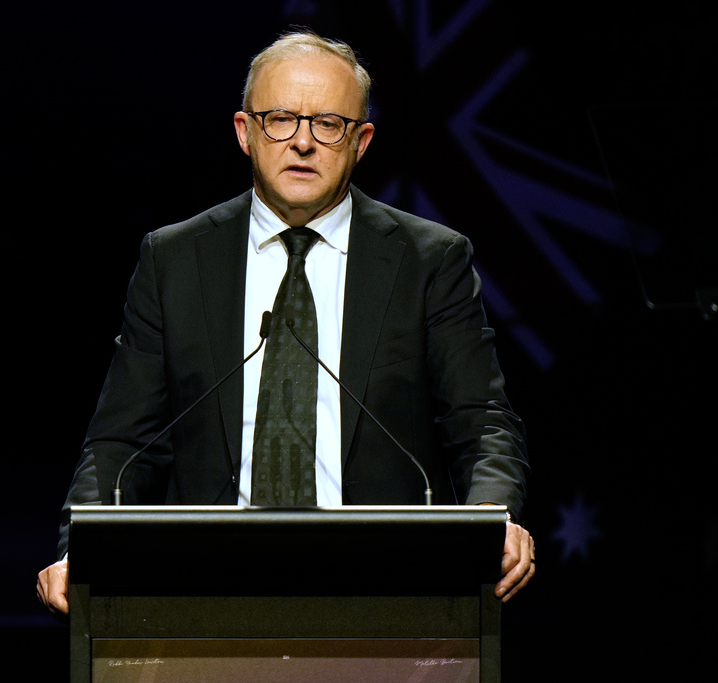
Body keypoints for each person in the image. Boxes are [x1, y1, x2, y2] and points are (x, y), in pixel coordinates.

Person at [37, 30, 535, 615]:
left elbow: (482, 425)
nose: (302, 142)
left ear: (361, 141)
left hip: (386, 591)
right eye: (280, 120)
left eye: (328, 124)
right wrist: (81, 550)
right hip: (206, 590)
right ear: (245, 133)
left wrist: (488, 521)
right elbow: (121, 442)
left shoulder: (429, 260)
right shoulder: (175, 260)